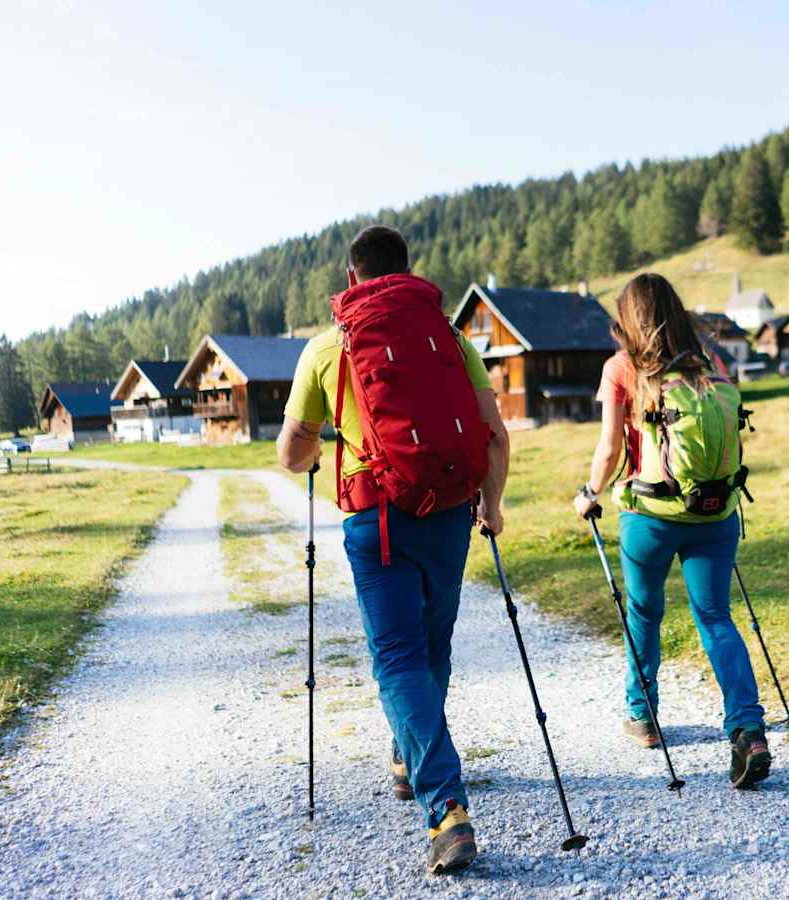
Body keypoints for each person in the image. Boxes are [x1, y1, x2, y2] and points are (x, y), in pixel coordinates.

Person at [278, 224, 510, 875]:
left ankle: (447, 810)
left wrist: (316, 447)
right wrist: (491, 506)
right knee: (431, 646)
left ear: (354, 279)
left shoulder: (329, 346)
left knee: (399, 657)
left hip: (375, 522)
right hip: (447, 516)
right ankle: (409, 757)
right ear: (408, 272)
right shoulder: (451, 339)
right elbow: (493, 435)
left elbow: (291, 450)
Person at [572, 272, 772, 789]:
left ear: (628, 320)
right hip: (714, 513)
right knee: (715, 618)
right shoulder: (711, 363)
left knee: (643, 612)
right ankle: (748, 729)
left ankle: (643, 715)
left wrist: (590, 493)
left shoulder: (622, 368)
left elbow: (610, 448)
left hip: (650, 517)